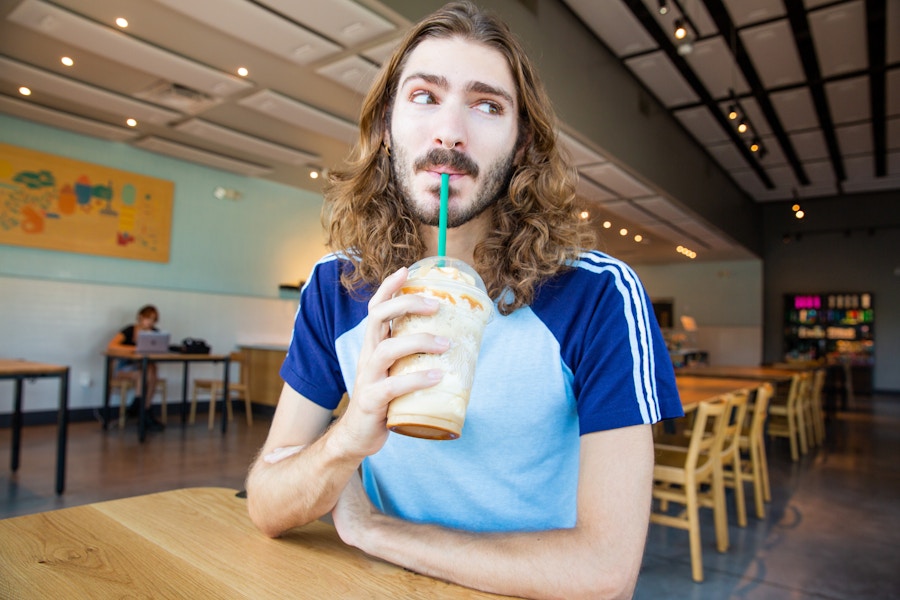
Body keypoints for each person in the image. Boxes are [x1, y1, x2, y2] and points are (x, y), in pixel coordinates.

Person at [246, 3, 683, 598]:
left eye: (487, 105)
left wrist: (378, 531)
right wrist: (348, 437)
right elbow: (267, 506)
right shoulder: (334, 286)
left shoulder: (598, 295)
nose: (451, 132)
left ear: (522, 141)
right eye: (424, 96)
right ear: (384, 127)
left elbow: (605, 571)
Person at [107, 304, 165, 431]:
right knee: (145, 373)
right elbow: (112, 345)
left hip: (143, 367)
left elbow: (159, 350)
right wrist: (135, 348)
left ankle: (140, 406)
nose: (150, 322)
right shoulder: (130, 330)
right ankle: (145, 411)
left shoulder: (155, 333)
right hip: (125, 367)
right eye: (148, 318)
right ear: (140, 317)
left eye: (153, 320)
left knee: (151, 369)